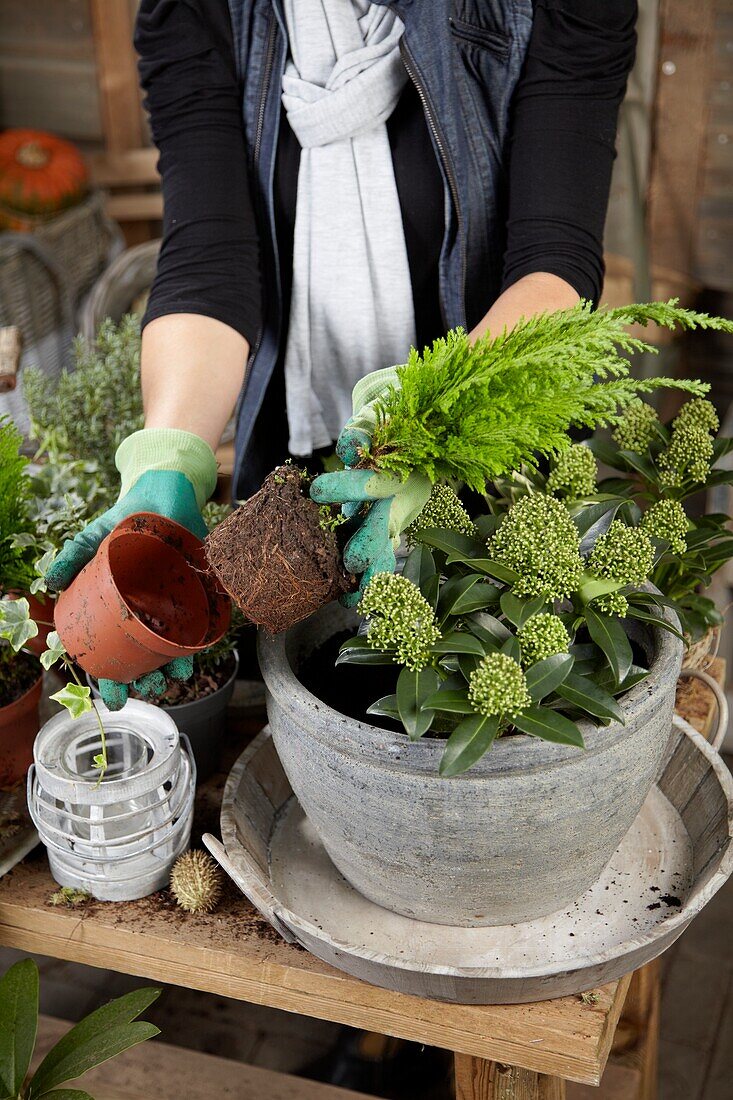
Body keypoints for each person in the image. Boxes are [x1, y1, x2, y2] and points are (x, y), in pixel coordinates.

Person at [46, 0, 637, 709]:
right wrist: (167, 457)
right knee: (316, 705)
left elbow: (554, 259)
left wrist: (421, 427)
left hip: (488, 431)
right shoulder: (195, 10)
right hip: (301, 460)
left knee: (507, 690)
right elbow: (209, 260)